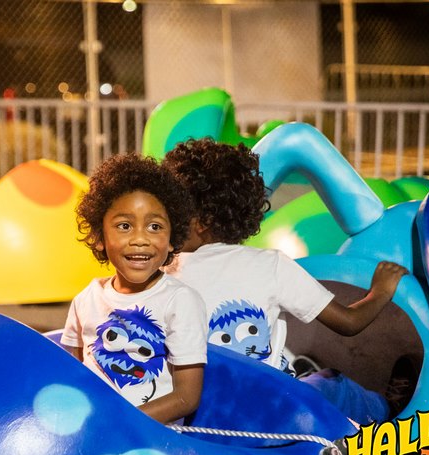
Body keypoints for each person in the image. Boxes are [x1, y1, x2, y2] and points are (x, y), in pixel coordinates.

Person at [162, 138, 411, 424]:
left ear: (201, 221)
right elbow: (349, 323)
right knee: (333, 384)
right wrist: (381, 290)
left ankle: (299, 371)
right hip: (271, 417)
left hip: (197, 416)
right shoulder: (270, 265)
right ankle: (386, 410)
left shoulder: (164, 270)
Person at [61, 152, 208, 427]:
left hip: (151, 439)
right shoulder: (87, 299)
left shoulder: (180, 301)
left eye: (154, 227)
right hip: (93, 431)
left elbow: (186, 397)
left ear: (172, 239)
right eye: (125, 226)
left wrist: (118, 424)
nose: (140, 239)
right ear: (99, 237)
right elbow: (69, 376)